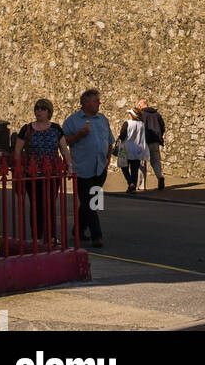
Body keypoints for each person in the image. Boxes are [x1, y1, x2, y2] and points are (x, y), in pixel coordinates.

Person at [12, 97, 72, 244]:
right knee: (36, 205)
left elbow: (64, 149)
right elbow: (18, 150)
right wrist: (19, 169)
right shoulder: (27, 129)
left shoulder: (56, 128)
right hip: (33, 174)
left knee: (50, 204)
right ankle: (37, 237)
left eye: (42, 108)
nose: (39, 111)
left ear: (49, 112)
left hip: (52, 174)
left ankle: (51, 236)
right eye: (37, 108)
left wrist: (69, 166)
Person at [62, 89, 115, 249]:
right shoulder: (73, 121)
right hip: (82, 168)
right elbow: (64, 142)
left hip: (100, 168)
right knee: (89, 202)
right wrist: (78, 135)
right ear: (85, 103)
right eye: (95, 100)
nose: (99, 103)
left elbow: (110, 141)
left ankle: (78, 229)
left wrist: (107, 160)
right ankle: (96, 236)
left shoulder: (102, 119)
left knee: (92, 202)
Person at [115, 108, 148, 193]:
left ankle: (130, 183)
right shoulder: (142, 124)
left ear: (132, 114)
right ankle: (133, 186)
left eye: (130, 113)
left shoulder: (127, 123)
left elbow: (122, 136)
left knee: (124, 167)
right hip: (137, 149)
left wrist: (119, 135)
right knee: (135, 170)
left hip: (126, 148)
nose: (128, 114)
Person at [136, 99, 166, 190]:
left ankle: (142, 185)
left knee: (142, 163)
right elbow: (162, 127)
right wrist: (158, 136)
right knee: (156, 161)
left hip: (143, 141)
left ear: (140, 106)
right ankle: (159, 176)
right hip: (155, 141)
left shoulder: (141, 114)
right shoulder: (157, 115)